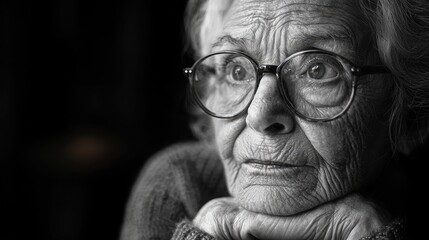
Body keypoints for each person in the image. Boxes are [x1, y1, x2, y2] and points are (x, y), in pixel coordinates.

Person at [120, 0, 429, 239]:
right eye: (236, 71)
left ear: (409, 112)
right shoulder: (179, 186)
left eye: (317, 70)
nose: (260, 114)